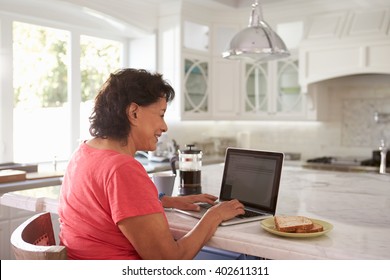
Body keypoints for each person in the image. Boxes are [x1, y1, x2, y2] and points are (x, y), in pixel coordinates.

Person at [58, 68, 245, 260]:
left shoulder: (84, 152)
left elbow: (104, 204)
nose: (164, 127)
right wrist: (215, 215)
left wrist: (165, 201)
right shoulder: (122, 168)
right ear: (134, 112)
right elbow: (169, 261)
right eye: (161, 114)